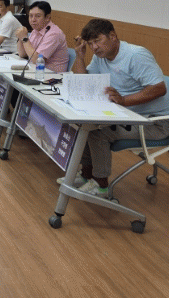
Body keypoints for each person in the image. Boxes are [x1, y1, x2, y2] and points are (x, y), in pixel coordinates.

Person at [69, 19, 169, 196]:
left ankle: (100, 185)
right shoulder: (101, 57)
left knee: (98, 132)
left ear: (113, 36)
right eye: (90, 43)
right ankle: (86, 175)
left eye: (98, 40)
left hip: (155, 122)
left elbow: (159, 88)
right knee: (84, 124)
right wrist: (79, 56)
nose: (94, 47)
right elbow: (85, 83)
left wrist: (123, 100)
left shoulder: (136, 55)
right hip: (127, 115)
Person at [15, 1, 69, 73]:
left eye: (37, 16)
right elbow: (22, 54)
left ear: (47, 17)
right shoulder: (35, 30)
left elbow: (37, 60)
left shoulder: (54, 33)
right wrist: (20, 37)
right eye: (30, 16)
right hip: (36, 71)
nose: (33, 20)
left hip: (52, 76)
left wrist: (24, 39)